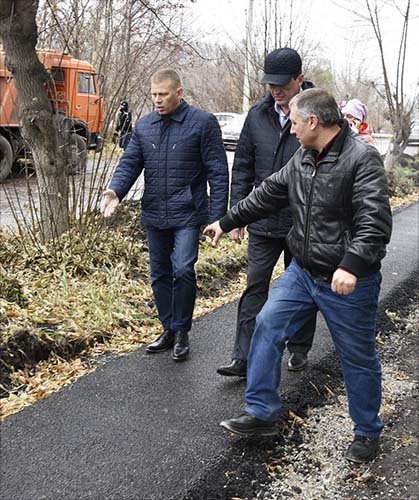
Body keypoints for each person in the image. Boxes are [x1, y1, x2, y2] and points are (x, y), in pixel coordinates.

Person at [205, 89, 392, 463]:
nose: (290, 130)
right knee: (268, 324)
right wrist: (226, 222)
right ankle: (261, 413)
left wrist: (351, 265)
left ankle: (367, 431)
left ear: (313, 122)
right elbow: (269, 193)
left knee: (357, 357)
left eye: (293, 122)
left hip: (348, 280)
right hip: (303, 272)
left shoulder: (362, 159)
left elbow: (375, 223)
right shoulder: (303, 157)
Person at [101, 69, 229, 361]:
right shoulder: (144, 126)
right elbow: (130, 163)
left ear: (179, 93)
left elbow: (218, 172)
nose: (157, 100)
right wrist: (115, 190)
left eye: (163, 94)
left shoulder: (202, 123)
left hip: (188, 212)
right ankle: (168, 328)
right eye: (154, 95)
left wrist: (219, 217)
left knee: (182, 269)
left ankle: (182, 330)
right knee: (159, 274)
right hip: (155, 211)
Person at [217, 47, 316, 378]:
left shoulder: (315, 117)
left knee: (302, 288)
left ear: (299, 80)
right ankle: (242, 356)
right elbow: (242, 165)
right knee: (255, 286)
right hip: (261, 220)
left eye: (282, 85)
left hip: (301, 222)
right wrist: (237, 214)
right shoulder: (257, 115)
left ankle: (299, 348)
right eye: (270, 84)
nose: (275, 90)